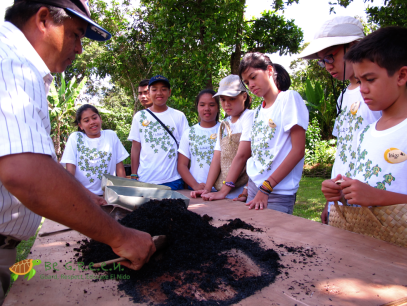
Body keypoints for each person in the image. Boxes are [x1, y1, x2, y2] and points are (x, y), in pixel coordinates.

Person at [0, 1, 155, 304]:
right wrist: (121, 237)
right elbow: (27, 174)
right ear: (43, 19)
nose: (81, 49)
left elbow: (46, 167)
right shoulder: (12, 63)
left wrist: (91, 200)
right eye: (76, 35)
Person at [298, 16, 381, 223]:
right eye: (321, 60)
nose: (326, 66)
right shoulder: (344, 96)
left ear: (353, 47)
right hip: (343, 200)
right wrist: (330, 201)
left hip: (376, 201)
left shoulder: (381, 92)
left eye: (330, 57)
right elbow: (343, 149)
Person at [322, 26, 407, 207]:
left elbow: (372, 195)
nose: (362, 89)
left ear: (401, 75)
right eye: (359, 81)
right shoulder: (365, 133)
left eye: (370, 79)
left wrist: (379, 197)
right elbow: (361, 191)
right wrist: (339, 191)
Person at [239, 52, 308, 214]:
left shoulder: (288, 99)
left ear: (269, 70)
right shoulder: (257, 112)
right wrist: (248, 187)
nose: (251, 85)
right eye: (247, 82)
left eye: (253, 77)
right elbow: (257, 155)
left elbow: (298, 151)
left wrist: (266, 188)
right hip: (254, 190)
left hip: (277, 193)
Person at [191, 75, 254, 201]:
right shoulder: (225, 124)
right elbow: (217, 157)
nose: (227, 104)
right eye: (223, 99)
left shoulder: (249, 117)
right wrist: (207, 189)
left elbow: (242, 156)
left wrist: (223, 192)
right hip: (226, 192)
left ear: (244, 96)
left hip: (245, 190)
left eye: (232, 98)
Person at [128, 75, 189, 189]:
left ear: (169, 92)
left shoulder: (179, 116)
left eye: (163, 89)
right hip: (145, 180)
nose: (159, 93)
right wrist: (134, 174)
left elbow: (185, 150)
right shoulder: (139, 117)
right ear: (149, 92)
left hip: (173, 180)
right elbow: (136, 148)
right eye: (154, 89)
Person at [61, 104, 129, 196]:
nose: (92, 122)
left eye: (94, 118)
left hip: (108, 195)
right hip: (83, 195)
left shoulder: (111, 135)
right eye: (86, 120)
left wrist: (125, 193)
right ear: (80, 125)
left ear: (100, 119)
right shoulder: (75, 138)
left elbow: (119, 166)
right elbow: (70, 170)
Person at [177, 89, 221, 191]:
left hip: (221, 191)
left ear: (218, 107)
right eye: (202, 105)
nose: (207, 108)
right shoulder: (189, 133)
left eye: (211, 105)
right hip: (196, 190)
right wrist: (195, 185)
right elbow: (182, 165)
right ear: (197, 107)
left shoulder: (225, 130)